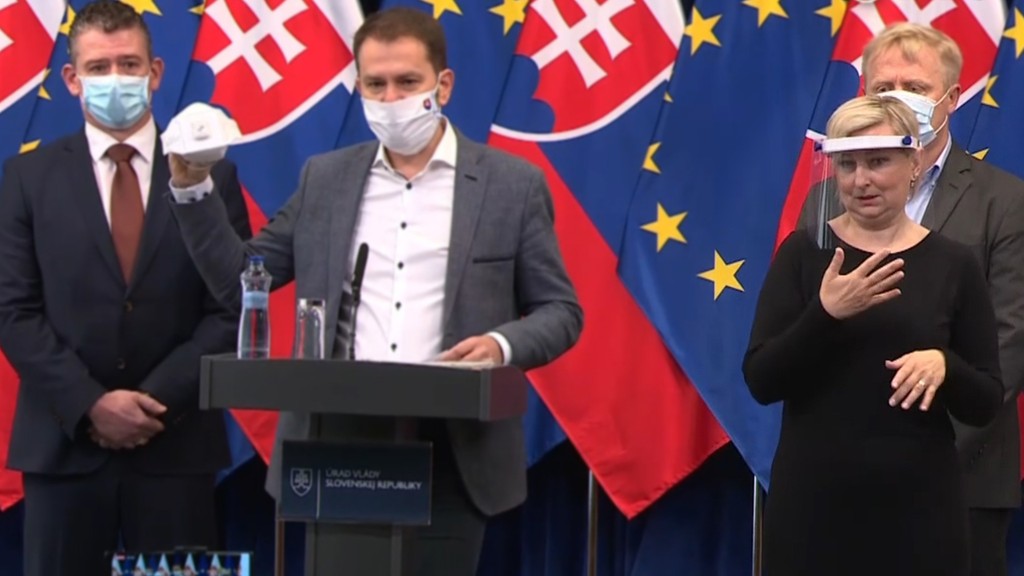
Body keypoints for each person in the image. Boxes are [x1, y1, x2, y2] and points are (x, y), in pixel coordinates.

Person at [165, 7, 582, 575]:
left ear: (443, 85)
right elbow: (243, 279)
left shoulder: (511, 184)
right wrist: (192, 188)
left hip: (454, 447)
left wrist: (499, 346)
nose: (391, 99)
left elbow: (560, 310)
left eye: (407, 82)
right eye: (375, 84)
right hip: (338, 442)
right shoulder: (325, 178)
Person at [0, 2, 251, 575]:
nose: (116, 79)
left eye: (129, 65)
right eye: (99, 67)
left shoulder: (212, 175)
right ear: (72, 79)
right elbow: (13, 309)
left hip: (176, 448)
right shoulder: (27, 178)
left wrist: (153, 401)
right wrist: (90, 404)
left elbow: (231, 306)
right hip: (63, 448)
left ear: (155, 72)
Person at [799, 23, 1024, 575]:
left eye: (916, 88)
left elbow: (1009, 339)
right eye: (883, 87)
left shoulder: (1005, 200)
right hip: (845, 473)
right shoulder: (827, 198)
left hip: (959, 472)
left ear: (952, 97)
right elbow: (806, 322)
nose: (897, 99)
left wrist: (922, 446)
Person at [746, 95, 1002, 575]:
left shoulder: (954, 264)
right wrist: (826, 314)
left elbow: (986, 400)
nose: (860, 180)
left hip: (920, 511)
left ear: (914, 163)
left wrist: (944, 366)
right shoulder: (804, 254)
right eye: (848, 165)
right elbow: (761, 379)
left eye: (878, 162)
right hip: (814, 510)